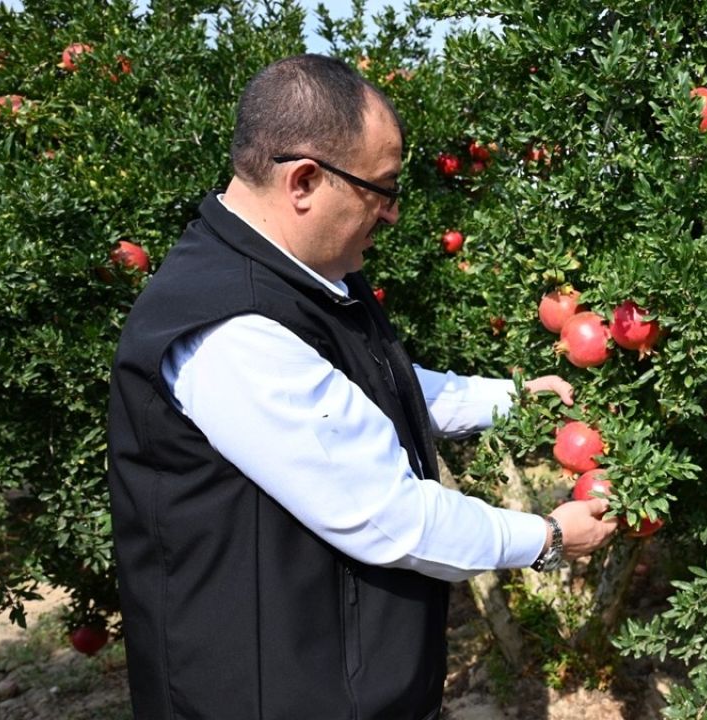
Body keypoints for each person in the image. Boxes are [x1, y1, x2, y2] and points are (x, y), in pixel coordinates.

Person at [106, 54, 618, 720]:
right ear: (305, 182)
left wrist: (515, 398)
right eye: (382, 188)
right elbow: (391, 517)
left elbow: (379, 381)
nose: (393, 214)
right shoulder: (231, 332)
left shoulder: (305, 280)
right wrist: (547, 537)